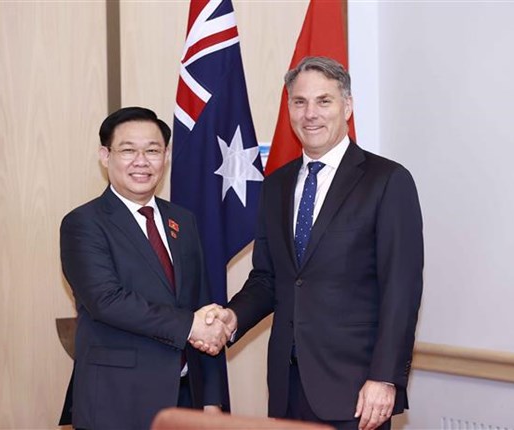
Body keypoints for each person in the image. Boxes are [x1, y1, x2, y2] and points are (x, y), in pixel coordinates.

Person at [198, 56, 424, 430]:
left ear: (347, 106)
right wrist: (231, 318)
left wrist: (384, 379)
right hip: (287, 389)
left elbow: (401, 289)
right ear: (289, 108)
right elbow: (269, 278)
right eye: (300, 102)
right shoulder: (276, 185)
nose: (310, 114)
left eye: (324, 101)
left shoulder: (387, 181)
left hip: (356, 390)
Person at [60, 107, 229, 430]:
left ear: (165, 157)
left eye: (152, 150)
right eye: (128, 150)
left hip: (185, 400)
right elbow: (106, 301)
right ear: (105, 156)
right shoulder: (84, 223)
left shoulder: (183, 220)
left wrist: (211, 398)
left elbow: (201, 306)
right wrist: (190, 326)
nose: (142, 161)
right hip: (116, 402)